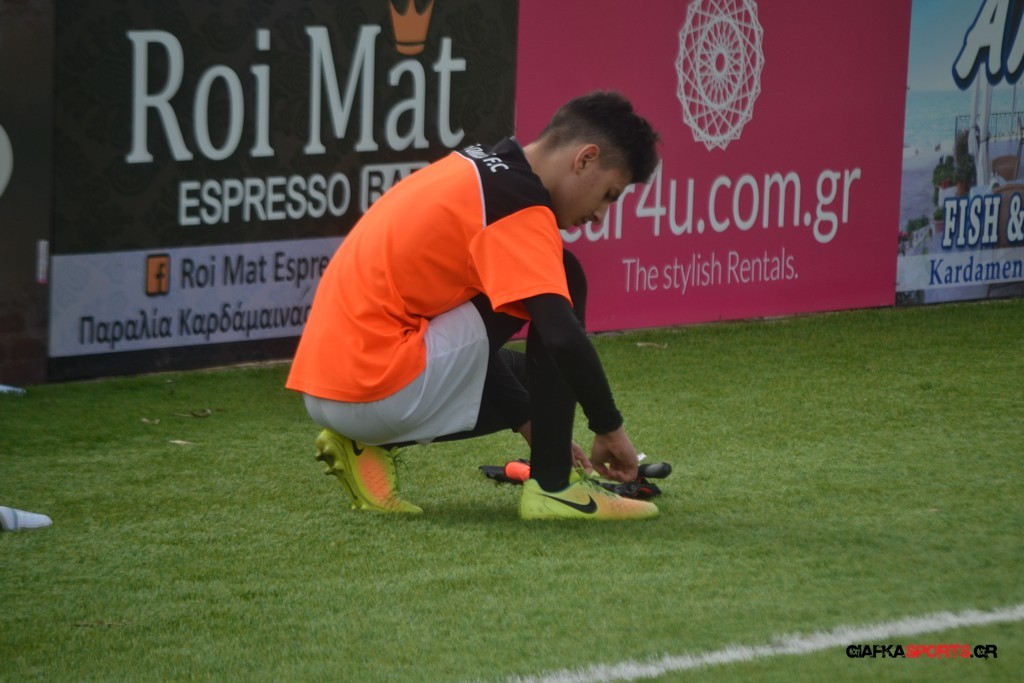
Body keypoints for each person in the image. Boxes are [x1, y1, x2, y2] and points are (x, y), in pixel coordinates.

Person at [286, 91, 660, 520]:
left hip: (329, 385)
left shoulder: (480, 167)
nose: (601, 215)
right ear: (586, 159)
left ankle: (363, 444)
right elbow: (562, 338)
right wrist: (609, 429)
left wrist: (536, 425)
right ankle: (554, 488)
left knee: (531, 377)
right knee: (565, 273)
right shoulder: (518, 204)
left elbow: (475, 341)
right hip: (373, 387)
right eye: (610, 194)